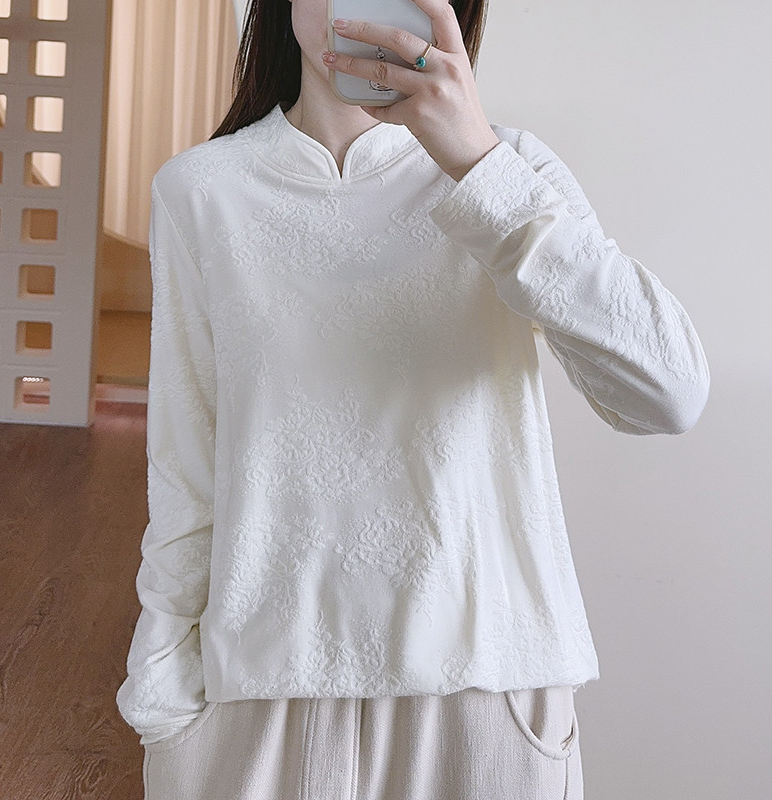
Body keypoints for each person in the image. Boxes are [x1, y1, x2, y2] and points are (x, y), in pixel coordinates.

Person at [115, 1, 710, 798]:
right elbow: (184, 467)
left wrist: (479, 165)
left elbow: (669, 392)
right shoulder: (200, 190)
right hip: (256, 699)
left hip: (487, 694)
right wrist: (162, 697)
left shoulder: (508, 168)